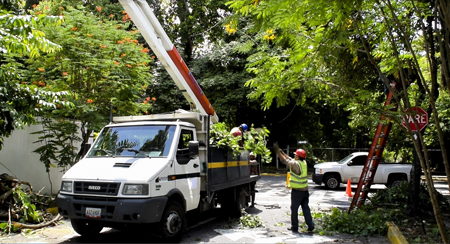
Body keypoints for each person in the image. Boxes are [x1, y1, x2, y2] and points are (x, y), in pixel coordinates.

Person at [274, 143, 314, 233]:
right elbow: (290, 158)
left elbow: (284, 161)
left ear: (298, 157)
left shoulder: (295, 164)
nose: (294, 155)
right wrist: (282, 152)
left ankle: (294, 227)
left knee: (294, 209)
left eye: (296, 154)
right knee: (305, 208)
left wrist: (278, 153)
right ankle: (310, 225)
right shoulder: (303, 163)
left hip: (297, 192)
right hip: (305, 191)